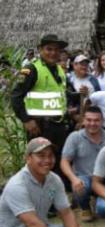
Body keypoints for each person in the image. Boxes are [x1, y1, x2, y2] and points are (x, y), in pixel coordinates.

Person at [11, 34, 72, 178]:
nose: (53, 53)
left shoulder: (59, 70)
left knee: (56, 164)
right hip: (39, 126)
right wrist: (26, 119)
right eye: (48, 49)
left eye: (56, 50)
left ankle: (53, 197)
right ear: (40, 50)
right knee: (39, 165)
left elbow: (60, 96)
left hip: (58, 126)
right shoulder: (32, 69)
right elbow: (16, 96)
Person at [60, 106, 105, 222]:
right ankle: (85, 208)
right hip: (84, 179)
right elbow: (64, 161)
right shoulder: (74, 137)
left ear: (102, 121)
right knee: (80, 185)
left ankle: (102, 202)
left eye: (96, 120)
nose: (92, 123)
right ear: (83, 120)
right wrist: (73, 178)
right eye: (89, 120)